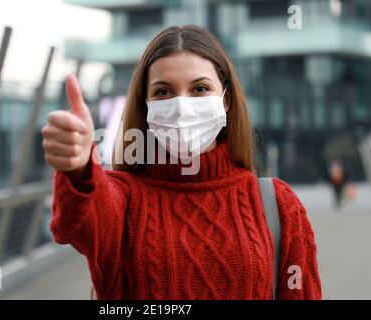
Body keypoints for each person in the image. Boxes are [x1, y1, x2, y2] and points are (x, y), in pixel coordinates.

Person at [41, 25, 322, 300]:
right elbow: (79, 222)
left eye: (200, 89)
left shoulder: (277, 205)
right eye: (163, 92)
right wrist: (78, 166)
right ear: (146, 104)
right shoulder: (124, 199)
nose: (181, 106)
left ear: (226, 100)